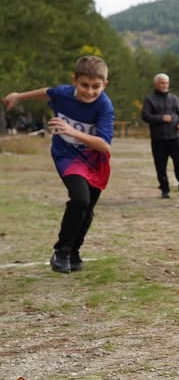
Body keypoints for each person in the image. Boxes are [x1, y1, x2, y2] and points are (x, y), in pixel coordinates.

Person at [3, 56, 114, 274]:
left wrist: (73, 131)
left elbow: (104, 146)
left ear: (104, 85)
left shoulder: (104, 106)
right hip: (67, 156)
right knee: (80, 199)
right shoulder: (64, 94)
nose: (89, 91)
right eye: (84, 85)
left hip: (94, 160)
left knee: (88, 209)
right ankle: (61, 251)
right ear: (74, 81)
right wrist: (18, 96)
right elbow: (47, 91)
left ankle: (74, 250)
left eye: (95, 87)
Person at [141, 73, 179, 198]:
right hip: (159, 139)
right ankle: (165, 189)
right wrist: (161, 118)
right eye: (162, 83)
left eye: (166, 83)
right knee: (160, 166)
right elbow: (145, 116)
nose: (164, 85)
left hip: (175, 138)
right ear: (156, 84)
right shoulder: (149, 99)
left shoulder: (174, 99)